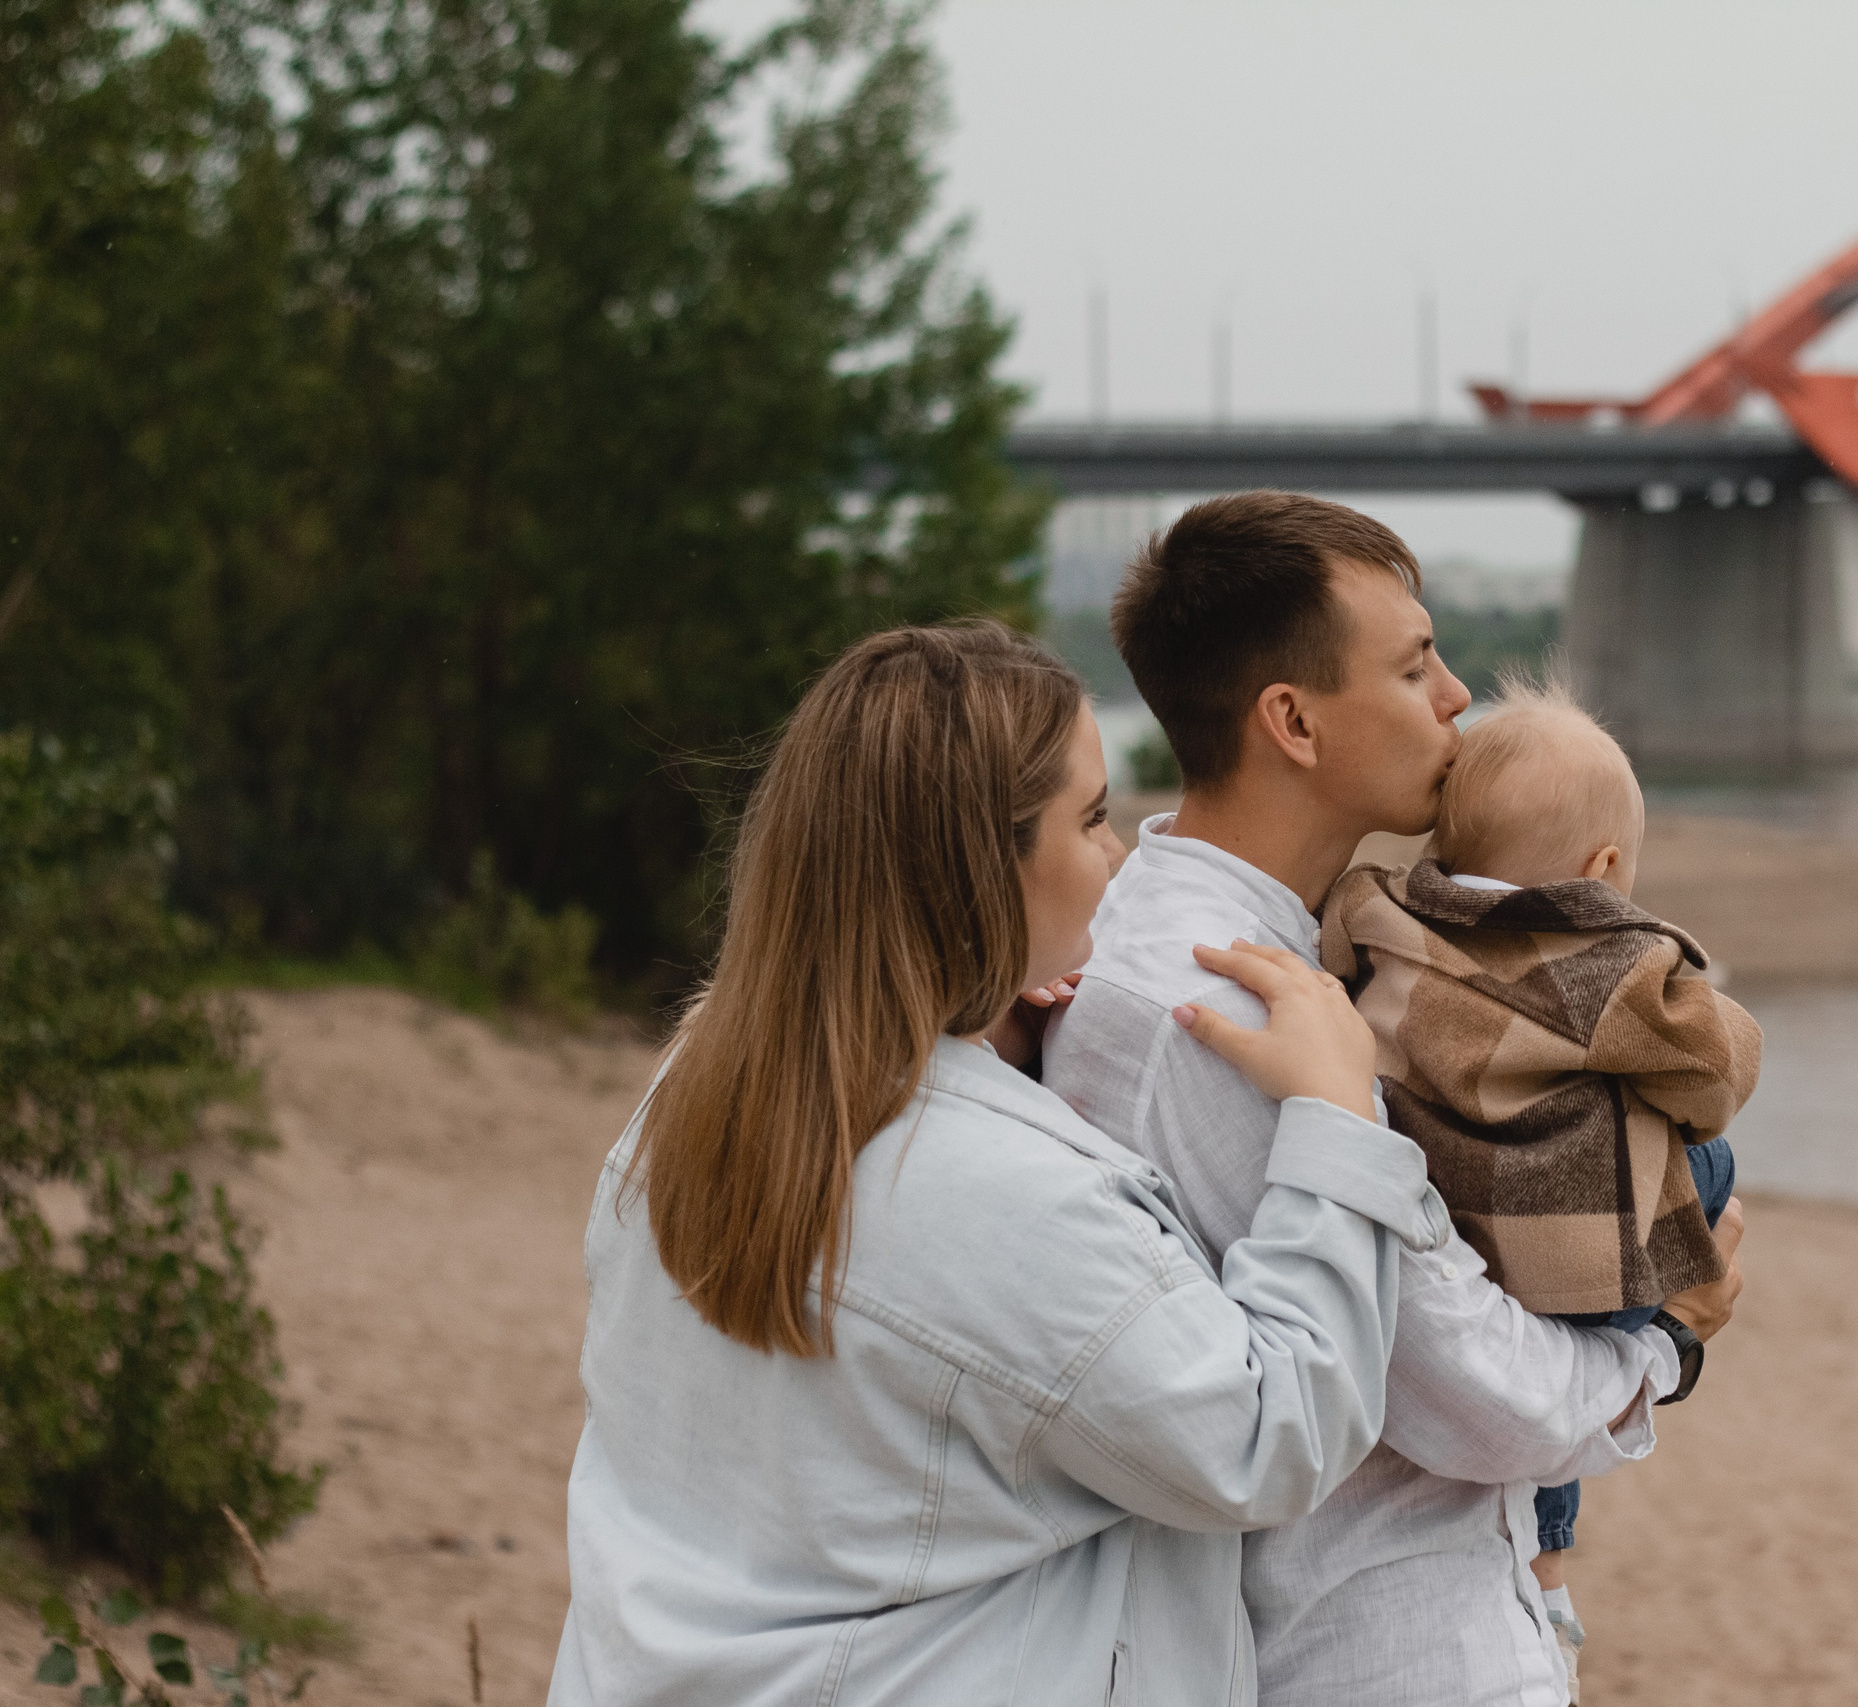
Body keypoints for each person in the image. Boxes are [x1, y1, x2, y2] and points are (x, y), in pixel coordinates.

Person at [549, 622, 1454, 1707]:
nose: (1117, 854)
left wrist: (977, 1038)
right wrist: (1334, 1114)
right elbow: (1268, 1437)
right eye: (1088, 820)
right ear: (984, 871)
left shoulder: (700, 1086)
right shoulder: (1008, 1198)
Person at [1041, 493, 1748, 1707]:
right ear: (1293, 721)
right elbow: (1476, 1393)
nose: (1456, 696)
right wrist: (1668, 1342)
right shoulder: (1223, 1001)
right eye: (1415, 664)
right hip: (1372, 1651)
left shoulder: (1251, 945)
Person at [1318, 677, 1763, 1689]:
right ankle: (1548, 1556)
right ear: (1603, 867)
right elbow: (1717, 1071)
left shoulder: (1373, 906)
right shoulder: (1607, 963)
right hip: (1567, 1249)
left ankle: (1545, 1562)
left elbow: (1330, 956)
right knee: (1712, 1168)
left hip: (1452, 1215)